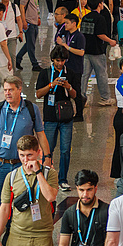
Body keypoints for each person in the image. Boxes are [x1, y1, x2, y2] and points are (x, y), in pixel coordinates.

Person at [0, 75, 50, 207]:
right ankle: (6, 227)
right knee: (2, 200)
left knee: (24, 198)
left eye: (11, 90)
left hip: (25, 164)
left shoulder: (31, 109)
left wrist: (47, 156)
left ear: (20, 90)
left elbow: (40, 134)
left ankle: (20, 227)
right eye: (5, 90)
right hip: (3, 164)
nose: (7, 93)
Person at [0, 134, 58, 246]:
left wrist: (38, 172)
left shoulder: (49, 174)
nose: (25, 160)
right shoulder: (12, 176)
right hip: (17, 236)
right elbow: (4, 208)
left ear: (38, 152)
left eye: (29, 155)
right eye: (22, 155)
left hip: (42, 237)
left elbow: (51, 196)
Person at [35, 46, 80, 192]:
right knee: (48, 149)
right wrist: (51, 85)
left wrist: (68, 86)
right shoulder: (45, 73)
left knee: (65, 149)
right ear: (52, 59)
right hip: (50, 117)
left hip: (66, 117)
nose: (60, 63)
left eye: (63, 61)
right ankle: (45, 177)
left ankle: (63, 179)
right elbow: (38, 94)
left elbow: (75, 95)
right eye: (58, 60)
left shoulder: (71, 73)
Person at [57, 169, 108, 246]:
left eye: (89, 190)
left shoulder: (106, 211)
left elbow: (112, 242)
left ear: (96, 188)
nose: (85, 195)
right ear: (77, 188)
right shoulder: (70, 213)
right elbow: (63, 244)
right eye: (81, 190)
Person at [78, 0, 117, 106]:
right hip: (97, 51)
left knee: (84, 75)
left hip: (86, 50)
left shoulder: (85, 17)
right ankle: (105, 98)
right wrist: (111, 41)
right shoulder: (100, 18)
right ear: (100, 4)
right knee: (101, 75)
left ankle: (82, 98)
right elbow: (100, 34)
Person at [15, 0, 43, 72]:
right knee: (31, 46)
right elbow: (21, 8)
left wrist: (38, 17)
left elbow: (36, 6)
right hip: (29, 23)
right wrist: (24, 21)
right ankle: (34, 64)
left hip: (34, 22)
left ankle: (18, 59)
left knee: (30, 44)